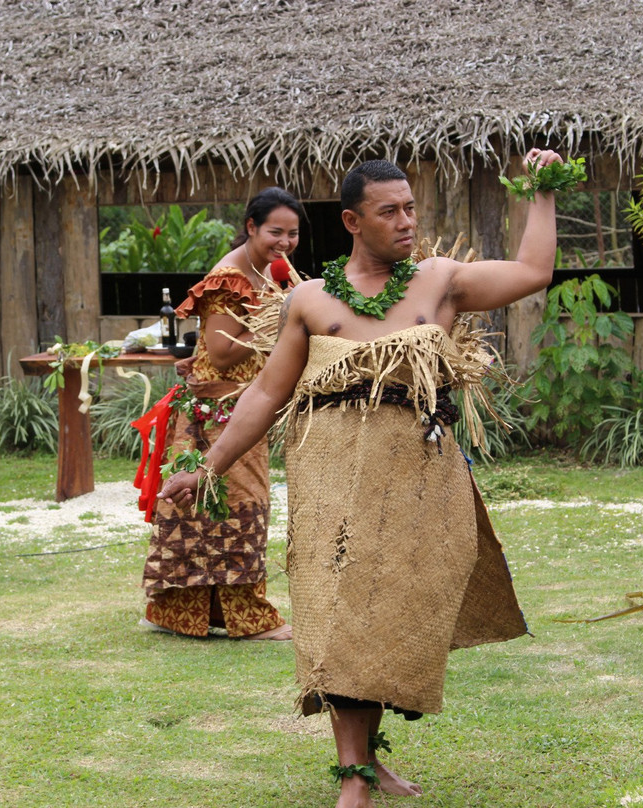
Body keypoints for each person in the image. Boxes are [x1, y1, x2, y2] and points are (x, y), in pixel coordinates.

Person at [159, 151, 561, 807]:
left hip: (415, 479)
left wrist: (541, 192)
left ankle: (369, 762)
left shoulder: (440, 282)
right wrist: (208, 466)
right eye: (389, 212)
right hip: (331, 478)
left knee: (387, 614)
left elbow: (532, 271)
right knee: (340, 613)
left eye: (410, 209)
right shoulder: (310, 301)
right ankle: (353, 778)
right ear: (352, 221)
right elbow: (264, 392)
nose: (406, 221)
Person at [140, 187, 303, 641]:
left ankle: (205, 613)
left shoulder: (269, 273)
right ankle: (243, 618)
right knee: (235, 506)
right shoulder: (230, 278)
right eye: (275, 232)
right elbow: (221, 351)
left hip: (238, 403)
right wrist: (281, 327)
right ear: (251, 226)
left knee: (219, 510)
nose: (285, 242)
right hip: (220, 409)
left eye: (292, 234)